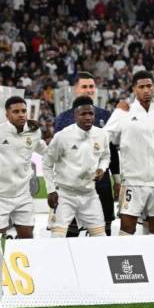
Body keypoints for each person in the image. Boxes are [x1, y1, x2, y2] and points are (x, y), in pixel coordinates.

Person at [104, 71, 154, 235]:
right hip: (132, 182)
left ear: (153, 88)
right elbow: (104, 138)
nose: (146, 90)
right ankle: (123, 260)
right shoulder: (125, 112)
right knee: (127, 228)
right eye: (141, 87)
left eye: (149, 86)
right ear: (134, 89)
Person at [54, 71, 120, 236]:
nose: (88, 90)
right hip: (73, 186)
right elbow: (57, 154)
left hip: (102, 182)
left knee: (103, 229)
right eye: (84, 86)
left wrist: (117, 179)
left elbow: (110, 151)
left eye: (91, 86)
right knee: (70, 232)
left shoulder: (105, 115)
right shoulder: (63, 118)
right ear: (76, 89)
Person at [0, 96, 47, 239]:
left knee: (28, 238)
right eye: (16, 111)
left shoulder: (34, 131)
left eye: (23, 111)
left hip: (23, 196)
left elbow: (44, 149)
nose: (21, 114)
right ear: (7, 115)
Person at [43, 96, 109, 237]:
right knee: (57, 239)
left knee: (101, 237)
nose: (88, 117)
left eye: (91, 113)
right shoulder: (62, 137)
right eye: (83, 114)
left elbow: (105, 156)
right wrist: (51, 190)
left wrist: (102, 168)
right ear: (75, 115)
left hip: (89, 194)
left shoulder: (102, 134)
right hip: (65, 194)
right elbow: (47, 163)